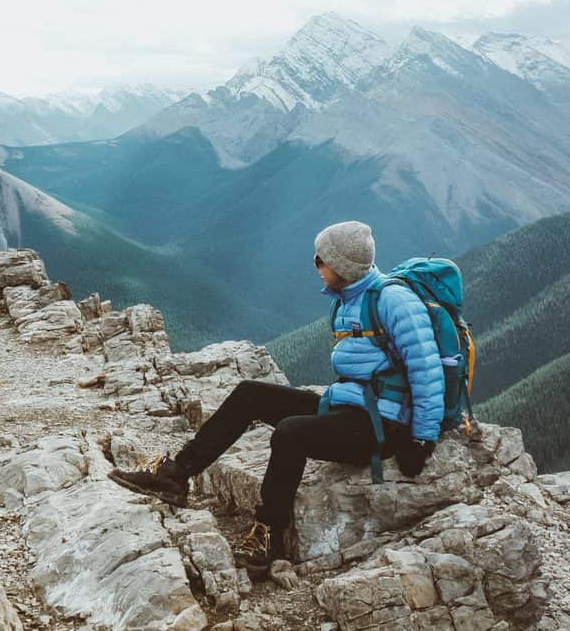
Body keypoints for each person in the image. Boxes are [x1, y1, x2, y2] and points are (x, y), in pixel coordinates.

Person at [109, 220, 444, 574]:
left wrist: (422, 439)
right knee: (249, 394)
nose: (315, 264)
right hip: (349, 407)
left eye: (321, 259)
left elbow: (427, 368)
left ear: (343, 266)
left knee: (290, 432)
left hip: (383, 426)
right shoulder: (351, 297)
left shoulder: (394, 301)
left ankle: (270, 533)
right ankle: (176, 475)